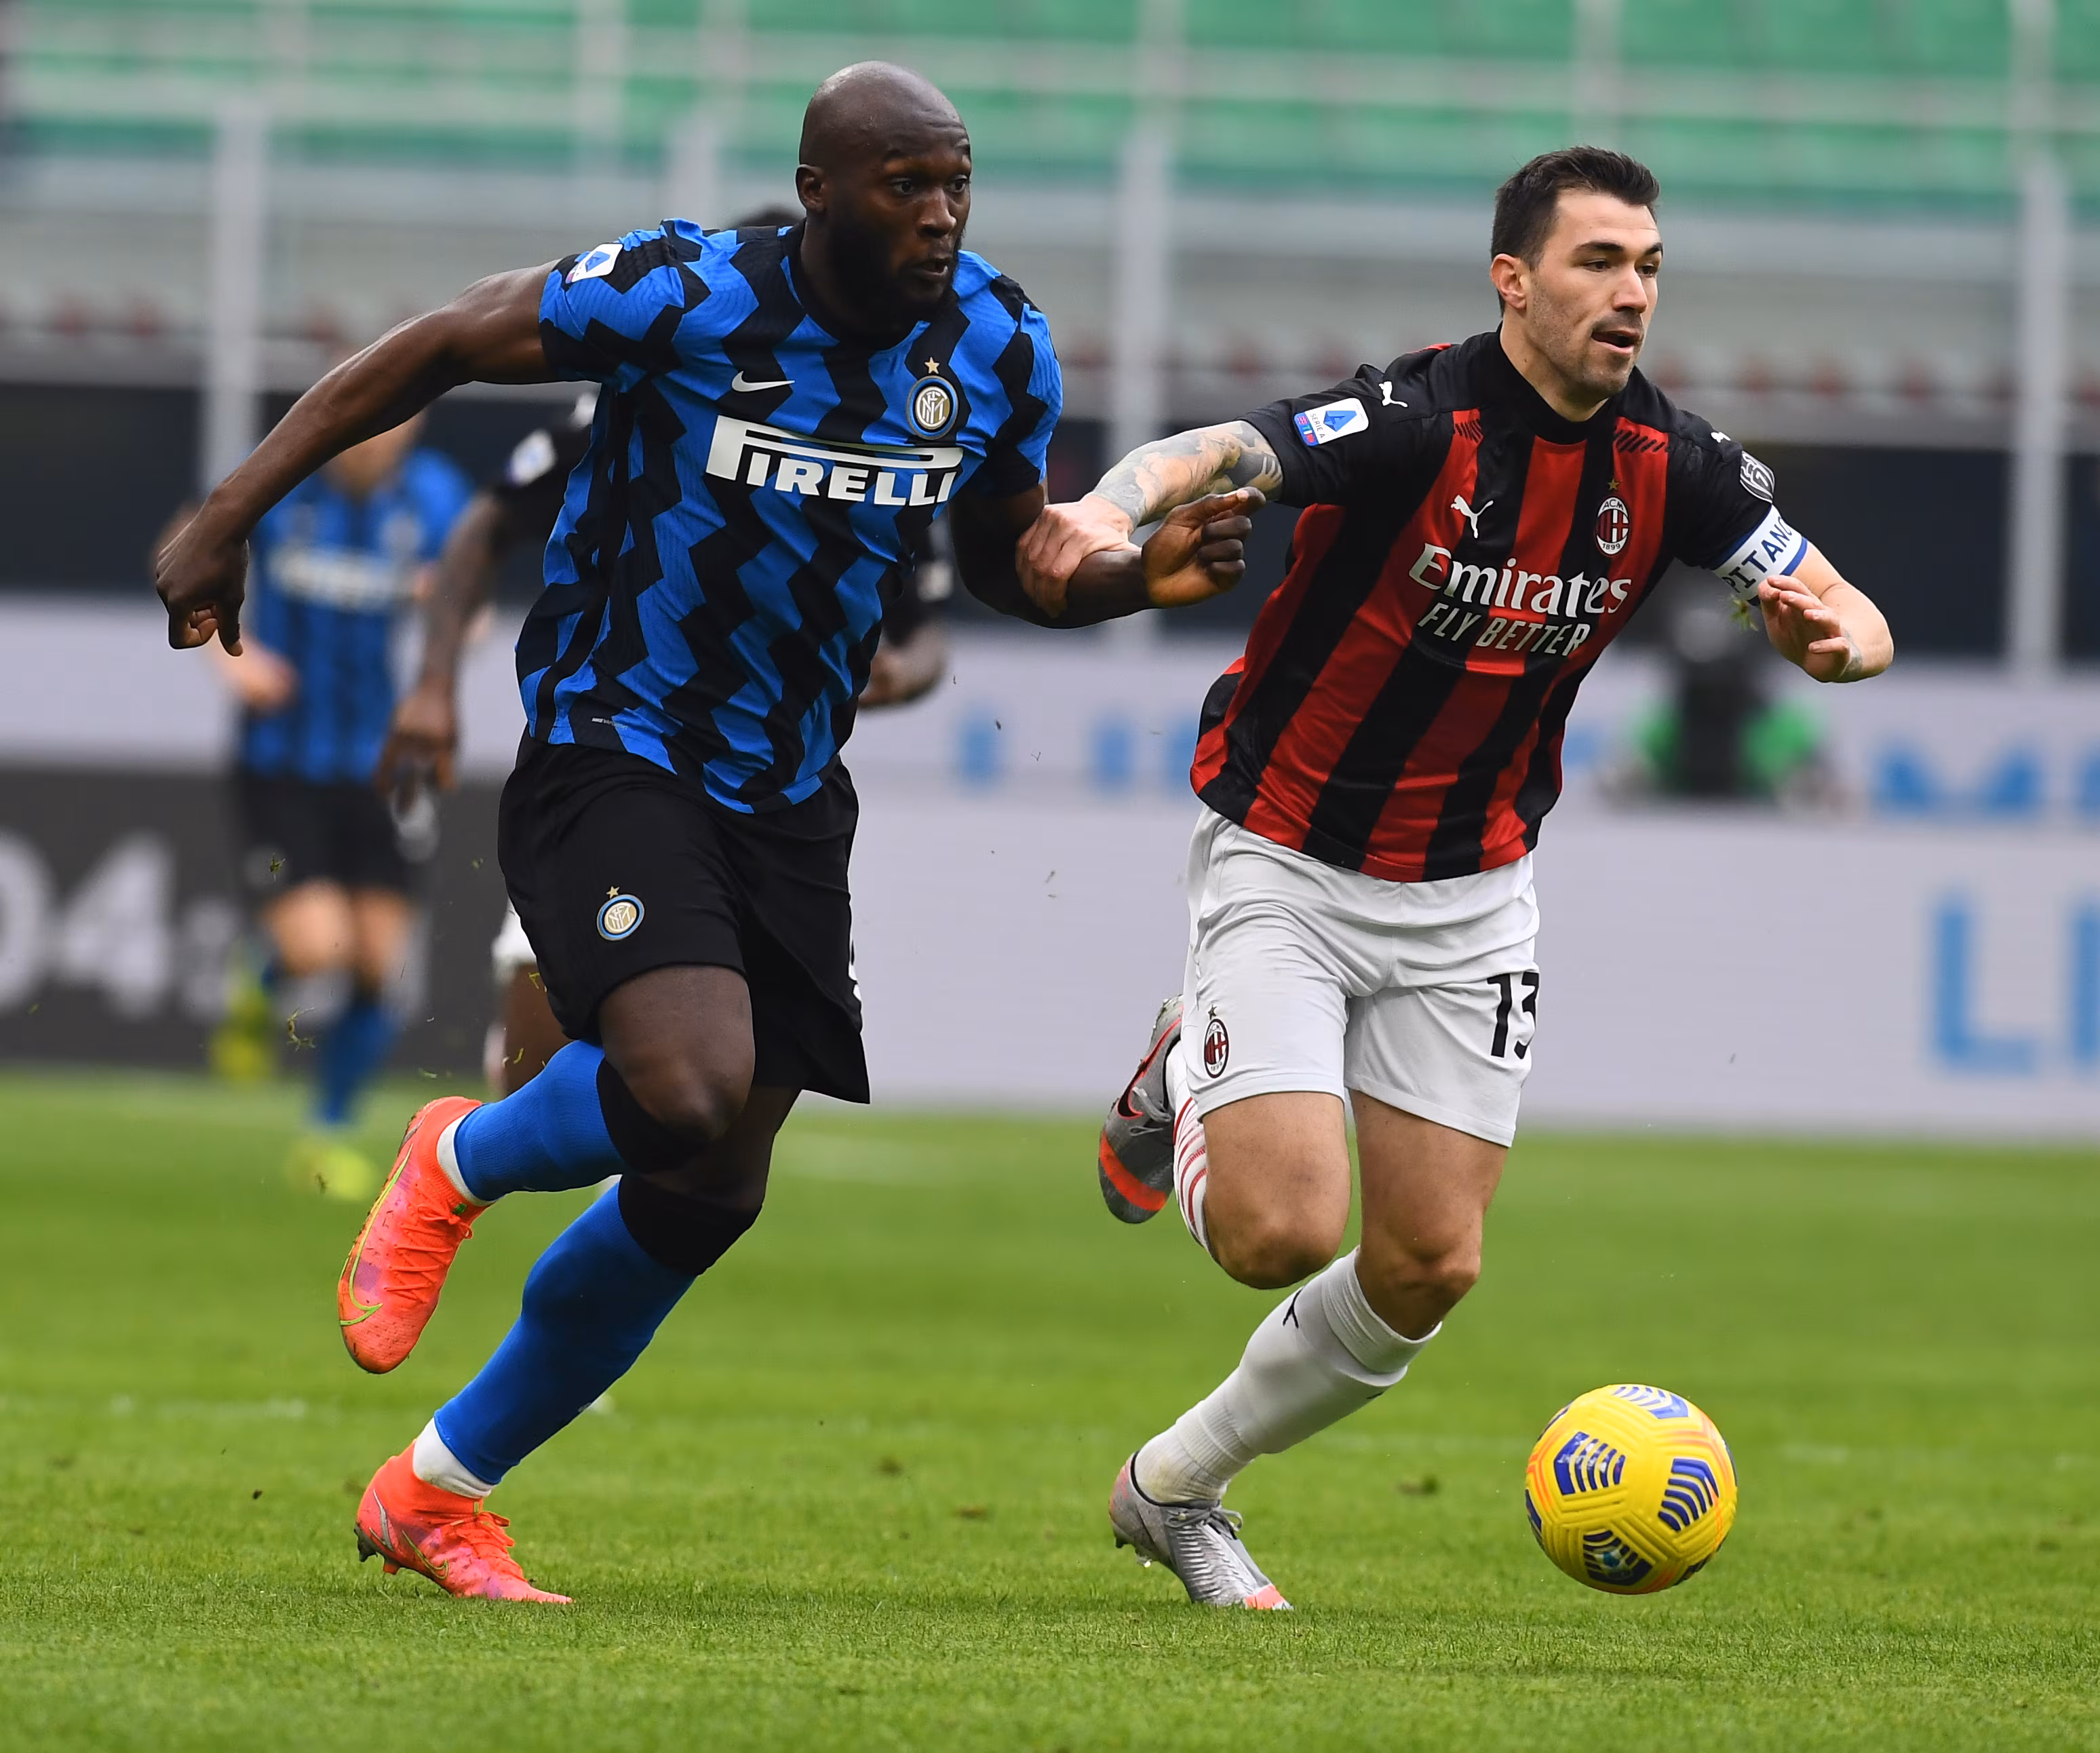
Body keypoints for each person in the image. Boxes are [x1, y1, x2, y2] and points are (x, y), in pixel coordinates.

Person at [155, 61, 1251, 1602]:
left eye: (956, 186)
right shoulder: (688, 290)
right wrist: (227, 513)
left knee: (709, 1187)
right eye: (903, 185)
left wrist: (1136, 580)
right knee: (683, 1081)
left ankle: (436, 1491)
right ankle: (457, 1156)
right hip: (618, 749)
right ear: (818, 191)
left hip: (793, 791)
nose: (937, 215)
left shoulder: (994, 343)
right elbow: (443, 343)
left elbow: (1007, 555)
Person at [1016, 147, 1893, 1610]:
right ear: (1514, 279)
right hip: (1289, 852)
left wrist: (1833, 643)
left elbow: (1845, 605)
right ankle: (1193, 1074)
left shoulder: (1673, 467)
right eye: (1598, 263)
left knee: (1429, 1259)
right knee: (1279, 1232)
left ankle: (1177, 1487)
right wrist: (1107, 515)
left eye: (1650, 268)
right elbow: (1213, 454)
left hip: (1473, 889)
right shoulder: (1414, 420)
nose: (1631, 294)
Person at [374, 207, 958, 1097]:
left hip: (770, 791)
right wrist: (431, 685)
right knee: (535, 1083)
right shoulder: (659, 384)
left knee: (714, 1115)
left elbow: (923, 635)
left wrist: (898, 674)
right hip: (622, 751)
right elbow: (490, 520)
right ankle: (465, 1162)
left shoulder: (889, 432)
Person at [204, 413, 473, 1196]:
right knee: (319, 947)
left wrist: (456, 611)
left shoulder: (433, 496)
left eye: (399, 424)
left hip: (387, 766)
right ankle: (259, 976)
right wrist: (236, 659)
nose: (379, 439)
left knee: (376, 965)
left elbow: (473, 587)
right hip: (283, 760)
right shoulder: (280, 482)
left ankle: (325, 1136)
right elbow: (185, 544)